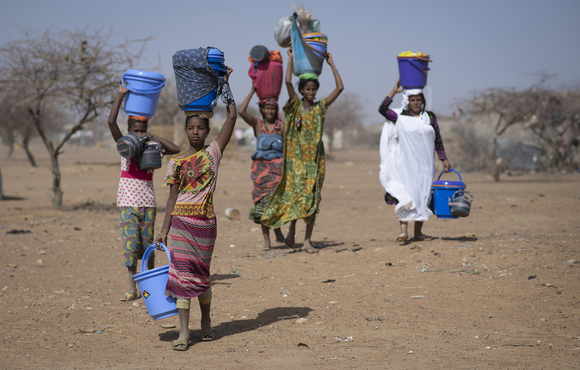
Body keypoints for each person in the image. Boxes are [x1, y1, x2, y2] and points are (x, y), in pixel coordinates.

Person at [155, 67, 236, 351]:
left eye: (200, 128)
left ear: (207, 130)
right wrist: (162, 231)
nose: (196, 132)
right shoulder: (175, 162)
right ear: (185, 130)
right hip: (180, 225)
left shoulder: (213, 153)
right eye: (191, 128)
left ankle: (207, 321)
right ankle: (183, 333)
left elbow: (233, 117)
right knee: (180, 277)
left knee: (201, 275)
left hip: (205, 225)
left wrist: (225, 86)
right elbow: (171, 199)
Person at [261, 48, 344, 254]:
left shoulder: (320, 108)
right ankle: (291, 231)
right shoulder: (295, 106)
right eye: (307, 89)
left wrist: (332, 64)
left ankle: (307, 240)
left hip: (314, 161)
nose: (311, 92)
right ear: (302, 90)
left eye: (313, 89)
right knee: (295, 196)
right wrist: (290, 59)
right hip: (295, 161)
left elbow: (340, 88)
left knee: (312, 199)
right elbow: (288, 82)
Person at [107, 83, 181, 302]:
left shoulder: (152, 149)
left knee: (148, 247)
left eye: (142, 131)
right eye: (135, 132)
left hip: (148, 203)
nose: (139, 135)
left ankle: (149, 286)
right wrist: (120, 96)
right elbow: (111, 122)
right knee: (130, 247)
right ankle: (133, 289)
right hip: (128, 203)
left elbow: (176, 149)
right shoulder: (125, 147)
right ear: (128, 134)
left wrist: (153, 137)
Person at [378, 78, 451, 243]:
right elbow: (382, 109)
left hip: (425, 165)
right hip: (406, 164)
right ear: (408, 102)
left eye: (418, 100)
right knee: (406, 195)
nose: (415, 103)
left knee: (423, 195)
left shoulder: (429, 117)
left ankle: (418, 233)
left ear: (422, 101)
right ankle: (403, 233)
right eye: (412, 100)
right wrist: (393, 91)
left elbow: (437, 139)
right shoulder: (401, 117)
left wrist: (443, 157)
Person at [238, 84, 286, 250]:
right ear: (262, 109)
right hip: (260, 174)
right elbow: (241, 112)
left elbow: (288, 148)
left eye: (272, 108)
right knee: (261, 206)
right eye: (267, 108)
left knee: (276, 204)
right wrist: (251, 92)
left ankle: (278, 229)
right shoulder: (258, 125)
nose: (270, 111)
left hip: (277, 173)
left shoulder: (282, 127)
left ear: (276, 110)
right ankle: (267, 240)